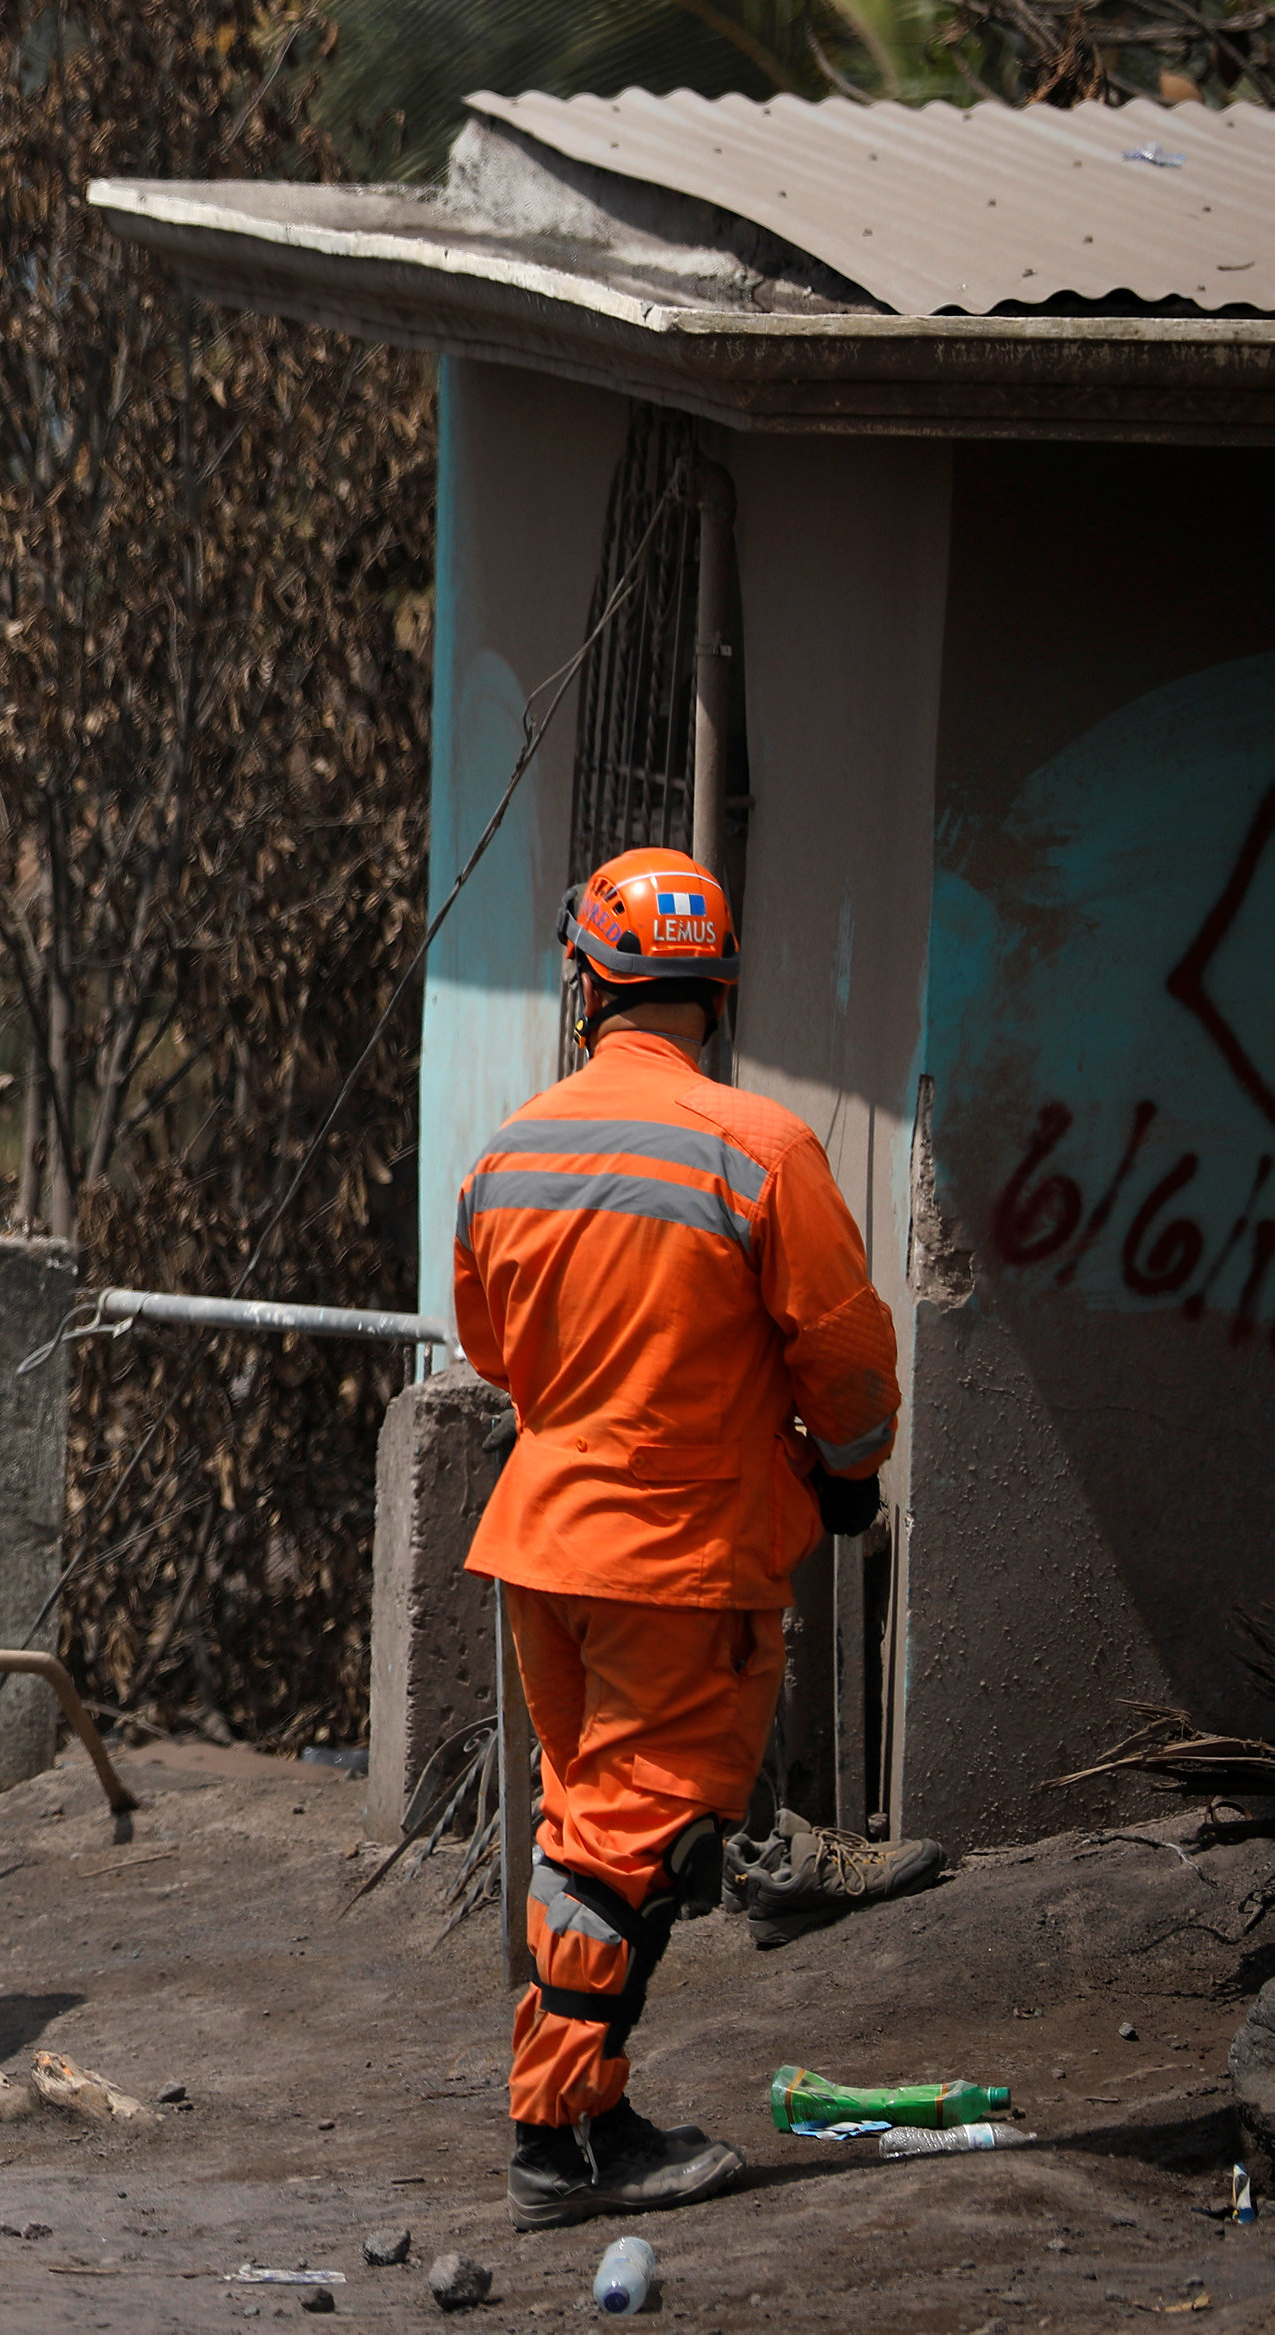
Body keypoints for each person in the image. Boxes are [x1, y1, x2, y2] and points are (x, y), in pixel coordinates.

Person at [452, 847, 905, 2230]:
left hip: (543, 1543)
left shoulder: (511, 1147)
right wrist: (846, 1476)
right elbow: (847, 1361)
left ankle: (583, 2106)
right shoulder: (761, 1150)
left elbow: (492, 1346)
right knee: (629, 1835)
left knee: (585, 1823)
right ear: (714, 992)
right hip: (682, 1557)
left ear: (588, 983)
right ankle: (559, 2129)